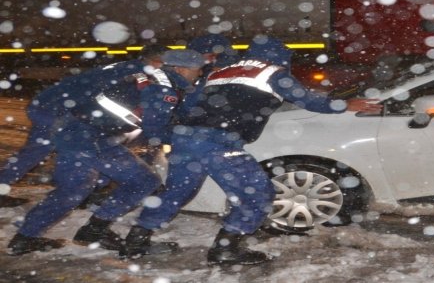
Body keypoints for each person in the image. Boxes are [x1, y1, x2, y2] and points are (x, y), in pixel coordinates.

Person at [119, 35, 382, 265]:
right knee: (257, 193)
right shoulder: (272, 72)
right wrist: (345, 104)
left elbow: (189, 107)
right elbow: (307, 99)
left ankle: (136, 242)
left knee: (177, 192)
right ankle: (227, 250)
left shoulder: (219, 72)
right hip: (218, 141)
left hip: (185, 139)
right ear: (280, 55)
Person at [7, 50, 205, 256]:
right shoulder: (163, 89)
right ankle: (95, 230)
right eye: (197, 70)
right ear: (180, 69)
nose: (199, 74)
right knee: (144, 181)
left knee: (73, 189)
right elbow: (155, 129)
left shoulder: (146, 75)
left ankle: (24, 238)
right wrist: (187, 139)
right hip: (91, 137)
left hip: (70, 129)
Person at [0, 44, 168, 208]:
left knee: (88, 149)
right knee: (40, 151)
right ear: (155, 60)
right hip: (55, 110)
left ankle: (90, 191)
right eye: (165, 62)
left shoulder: (129, 67)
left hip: (53, 105)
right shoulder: (137, 74)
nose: (167, 67)